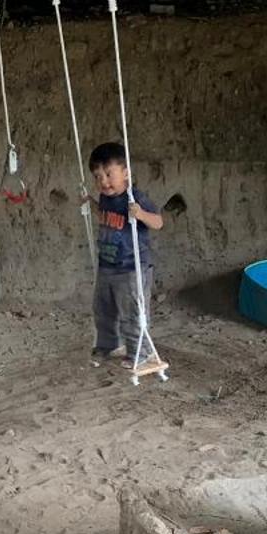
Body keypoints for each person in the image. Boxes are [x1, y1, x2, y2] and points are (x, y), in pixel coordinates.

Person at [87, 141, 163, 366]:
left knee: (133, 312)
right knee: (103, 309)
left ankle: (140, 351)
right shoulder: (105, 198)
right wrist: (90, 203)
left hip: (132, 267)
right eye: (98, 177)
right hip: (107, 265)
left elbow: (158, 222)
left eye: (109, 174)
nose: (104, 181)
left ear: (126, 172)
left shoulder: (134, 197)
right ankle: (108, 345)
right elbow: (105, 215)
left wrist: (140, 214)